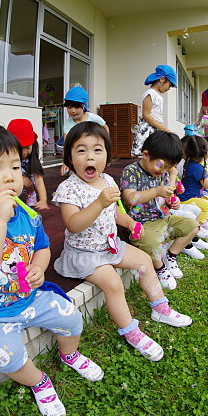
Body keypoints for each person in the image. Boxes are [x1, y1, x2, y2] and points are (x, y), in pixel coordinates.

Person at [0, 124, 103, 416]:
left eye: (14, 166)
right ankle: (39, 381)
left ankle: (69, 354)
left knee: (72, 317)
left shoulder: (28, 214)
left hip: (29, 297)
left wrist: (38, 266)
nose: (10, 176)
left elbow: (43, 248)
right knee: (6, 357)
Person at [53, 122, 192, 362]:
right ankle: (132, 332)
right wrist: (98, 203)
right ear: (69, 157)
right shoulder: (68, 188)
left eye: (97, 150)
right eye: (81, 150)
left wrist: (130, 224)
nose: (90, 157)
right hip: (84, 254)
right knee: (113, 284)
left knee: (145, 261)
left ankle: (160, 308)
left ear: (107, 155)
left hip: (110, 245)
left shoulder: (108, 180)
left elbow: (117, 213)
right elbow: (73, 224)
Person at [121, 130, 203, 283]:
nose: (164, 171)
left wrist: (173, 201)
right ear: (146, 155)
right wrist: (156, 191)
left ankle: (171, 255)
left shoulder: (162, 173)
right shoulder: (131, 171)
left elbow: (166, 197)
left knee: (193, 226)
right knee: (151, 243)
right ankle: (159, 268)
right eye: (161, 166)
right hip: (142, 224)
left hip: (164, 219)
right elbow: (131, 198)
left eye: (168, 168)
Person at [60, 87, 110, 176]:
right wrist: (66, 160)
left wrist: (105, 142)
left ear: (83, 106)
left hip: (92, 150)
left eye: (76, 107)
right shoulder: (68, 123)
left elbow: (105, 127)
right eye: (69, 107)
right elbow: (67, 142)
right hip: (79, 152)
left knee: (95, 169)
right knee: (76, 173)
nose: (73, 111)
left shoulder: (93, 118)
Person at [131, 64, 177, 156]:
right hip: (147, 129)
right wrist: (164, 129)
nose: (169, 88)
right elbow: (146, 115)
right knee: (145, 155)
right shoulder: (150, 94)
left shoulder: (158, 95)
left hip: (155, 128)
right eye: (170, 85)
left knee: (155, 155)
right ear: (162, 79)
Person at [7, 119, 49, 210]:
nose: (24, 152)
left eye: (27, 147)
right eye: (20, 148)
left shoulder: (31, 159)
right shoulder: (5, 157)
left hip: (27, 184)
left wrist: (43, 200)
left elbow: (39, 179)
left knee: (24, 179)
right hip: (10, 183)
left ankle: (31, 194)